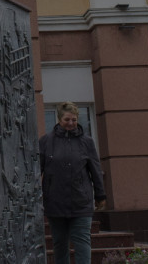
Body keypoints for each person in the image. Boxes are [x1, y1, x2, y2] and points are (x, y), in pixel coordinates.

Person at [38, 101, 106, 264]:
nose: (70, 123)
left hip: (81, 202)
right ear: (59, 119)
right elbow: (37, 171)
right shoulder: (46, 141)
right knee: (59, 244)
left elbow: (95, 170)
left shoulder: (87, 142)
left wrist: (100, 195)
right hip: (55, 202)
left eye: (74, 120)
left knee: (82, 241)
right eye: (67, 119)